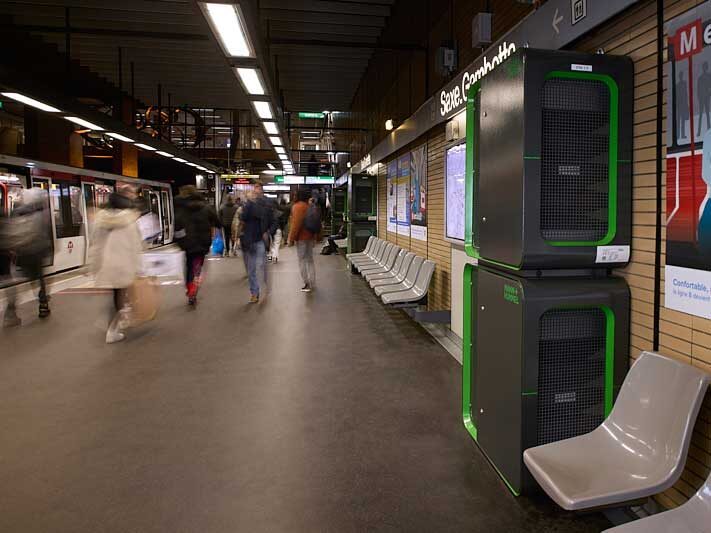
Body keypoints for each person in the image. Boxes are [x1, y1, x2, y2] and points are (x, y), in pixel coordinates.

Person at [89, 185, 142, 343]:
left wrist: (93, 265)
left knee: (116, 295)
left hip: (107, 264)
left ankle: (114, 323)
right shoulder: (129, 220)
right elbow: (135, 246)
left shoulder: (100, 219)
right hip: (123, 264)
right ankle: (112, 330)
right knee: (121, 295)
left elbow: (94, 243)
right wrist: (139, 267)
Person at [0, 188, 52, 327]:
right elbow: (42, 234)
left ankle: (11, 311)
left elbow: (10, 232)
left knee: (13, 282)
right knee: (39, 280)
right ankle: (43, 305)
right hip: (36, 252)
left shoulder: (16, 212)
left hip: (20, 253)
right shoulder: (40, 214)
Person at [174, 185, 220, 306]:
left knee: (189, 266)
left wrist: (180, 241)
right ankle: (193, 289)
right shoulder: (205, 207)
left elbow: (177, 225)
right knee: (197, 266)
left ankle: (190, 287)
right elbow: (217, 220)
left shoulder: (180, 207)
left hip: (188, 243)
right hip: (202, 242)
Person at [240, 183, 274, 303]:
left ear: (261, 191)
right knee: (251, 269)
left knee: (261, 266)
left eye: (257, 189)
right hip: (249, 240)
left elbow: (272, 220)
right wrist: (249, 203)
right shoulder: (248, 205)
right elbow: (243, 217)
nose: (255, 192)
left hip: (260, 238)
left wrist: (269, 231)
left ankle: (265, 285)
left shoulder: (266, 204)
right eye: (254, 189)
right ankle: (255, 292)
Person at [288, 189, 319, 292]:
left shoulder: (297, 207)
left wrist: (291, 239)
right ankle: (312, 281)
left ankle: (307, 283)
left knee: (302, 260)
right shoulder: (310, 206)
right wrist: (315, 237)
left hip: (301, 238)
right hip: (310, 237)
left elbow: (295, 224)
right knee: (310, 260)